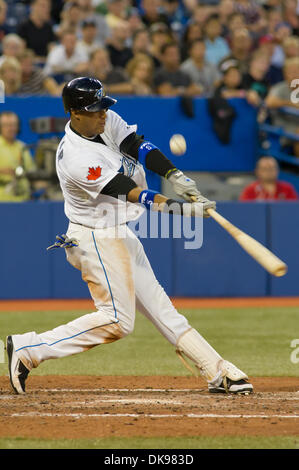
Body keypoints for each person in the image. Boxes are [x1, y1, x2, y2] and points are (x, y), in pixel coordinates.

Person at [6, 76, 253, 396]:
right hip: (94, 239)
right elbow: (128, 192)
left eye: (103, 107)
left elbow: (137, 145)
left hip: (117, 232)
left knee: (163, 310)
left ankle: (216, 370)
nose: (103, 114)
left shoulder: (102, 122)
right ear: (74, 114)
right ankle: (29, 348)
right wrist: (180, 209)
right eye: (95, 110)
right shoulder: (77, 158)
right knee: (118, 322)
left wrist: (174, 175)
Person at [265, 57, 299, 157]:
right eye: (291, 71)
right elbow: (269, 102)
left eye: (297, 71)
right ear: (285, 74)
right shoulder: (279, 88)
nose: (295, 74)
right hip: (283, 130)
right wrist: (291, 104)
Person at [0, 111, 36, 201]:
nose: (10, 128)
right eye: (7, 125)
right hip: (3, 201)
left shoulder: (23, 147)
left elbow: (31, 171)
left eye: (13, 125)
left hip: (24, 200)